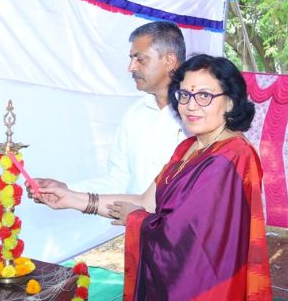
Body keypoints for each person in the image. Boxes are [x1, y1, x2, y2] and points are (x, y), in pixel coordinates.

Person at [36, 54, 272, 300]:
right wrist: (70, 197)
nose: (191, 106)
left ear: (230, 102)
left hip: (206, 287)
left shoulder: (232, 156)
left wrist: (137, 219)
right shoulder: (190, 147)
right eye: (184, 95)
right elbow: (146, 202)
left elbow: (189, 236)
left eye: (204, 96)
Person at [33, 21, 188, 195]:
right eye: (131, 59)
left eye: (140, 59)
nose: (131, 67)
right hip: (136, 214)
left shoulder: (198, 114)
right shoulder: (135, 114)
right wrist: (67, 190)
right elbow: (118, 182)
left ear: (169, 61)